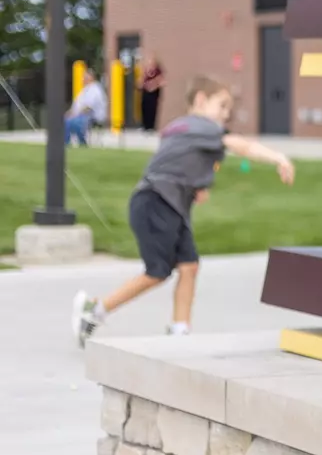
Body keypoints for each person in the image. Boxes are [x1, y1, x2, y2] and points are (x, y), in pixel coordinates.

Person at [73, 76, 295, 345]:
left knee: (189, 266)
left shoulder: (179, 127)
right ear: (201, 100)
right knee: (157, 271)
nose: (226, 114)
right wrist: (278, 157)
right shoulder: (202, 126)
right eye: (222, 106)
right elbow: (240, 145)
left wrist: (197, 186)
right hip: (156, 202)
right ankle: (96, 309)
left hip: (164, 204)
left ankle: (180, 330)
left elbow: (179, 161)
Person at [65, 69, 109, 147]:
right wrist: (69, 113)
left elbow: (88, 108)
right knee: (65, 120)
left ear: (91, 77)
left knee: (74, 121)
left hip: (93, 116)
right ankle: (66, 143)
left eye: (85, 77)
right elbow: (75, 107)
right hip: (82, 115)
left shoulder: (95, 89)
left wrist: (75, 114)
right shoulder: (84, 90)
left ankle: (82, 142)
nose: (83, 79)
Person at [139, 54, 165, 132]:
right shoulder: (147, 71)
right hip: (145, 94)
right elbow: (141, 81)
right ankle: (144, 126)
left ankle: (151, 126)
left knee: (152, 110)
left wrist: (153, 84)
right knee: (144, 109)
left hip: (153, 95)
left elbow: (162, 81)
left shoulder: (158, 71)